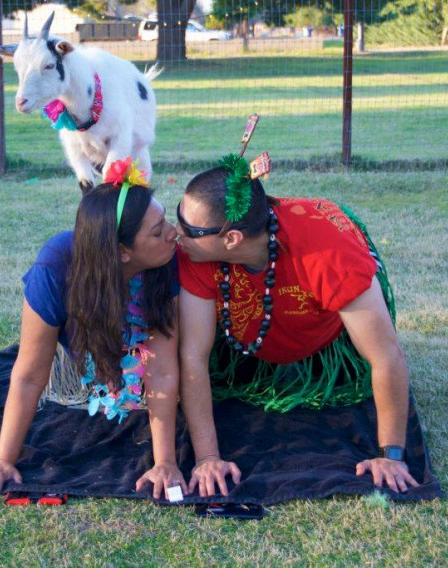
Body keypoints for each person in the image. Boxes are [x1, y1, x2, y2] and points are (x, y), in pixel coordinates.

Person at [175, 154, 421, 497]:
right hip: (249, 339)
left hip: (325, 337)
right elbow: (193, 357)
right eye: (178, 215)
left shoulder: (327, 251)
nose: (176, 233)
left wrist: (391, 455)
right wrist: (207, 458)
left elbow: (386, 356)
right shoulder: (197, 252)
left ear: (231, 239)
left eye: (189, 228)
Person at [0, 158, 186, 500]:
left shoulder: (165, 261)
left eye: (165, 220)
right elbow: (29, 375)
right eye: (158, 231)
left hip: (140, 363)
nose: (173, 232)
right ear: (122, 252)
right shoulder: (55, 268)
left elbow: (161, 369)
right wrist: (3, 460)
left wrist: (165, 462)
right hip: (83, 364)